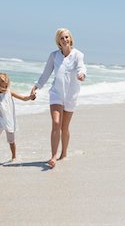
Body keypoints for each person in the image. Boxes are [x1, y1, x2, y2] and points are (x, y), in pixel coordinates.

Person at [30, 28, 87, 168]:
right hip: (56, 93)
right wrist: (36, 86)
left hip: (71, 95)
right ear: (58, 41)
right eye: (62, 38)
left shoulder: (78, 54)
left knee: (64, 127)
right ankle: (53, 156)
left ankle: (64, 153)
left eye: (67, 37)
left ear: (71, 39)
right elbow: (46, 73)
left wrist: (82, 75)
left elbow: (82, 68)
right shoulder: (54, 56)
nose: (65, 40)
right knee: (56, 123)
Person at [0, 72, 35, 169]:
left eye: (6, 82)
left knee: (11, 141)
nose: (5, 84)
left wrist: (30, 97)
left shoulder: (10, 92)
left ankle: (14, 157)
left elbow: (23, 98)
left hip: (9, 121)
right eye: (3, 82)